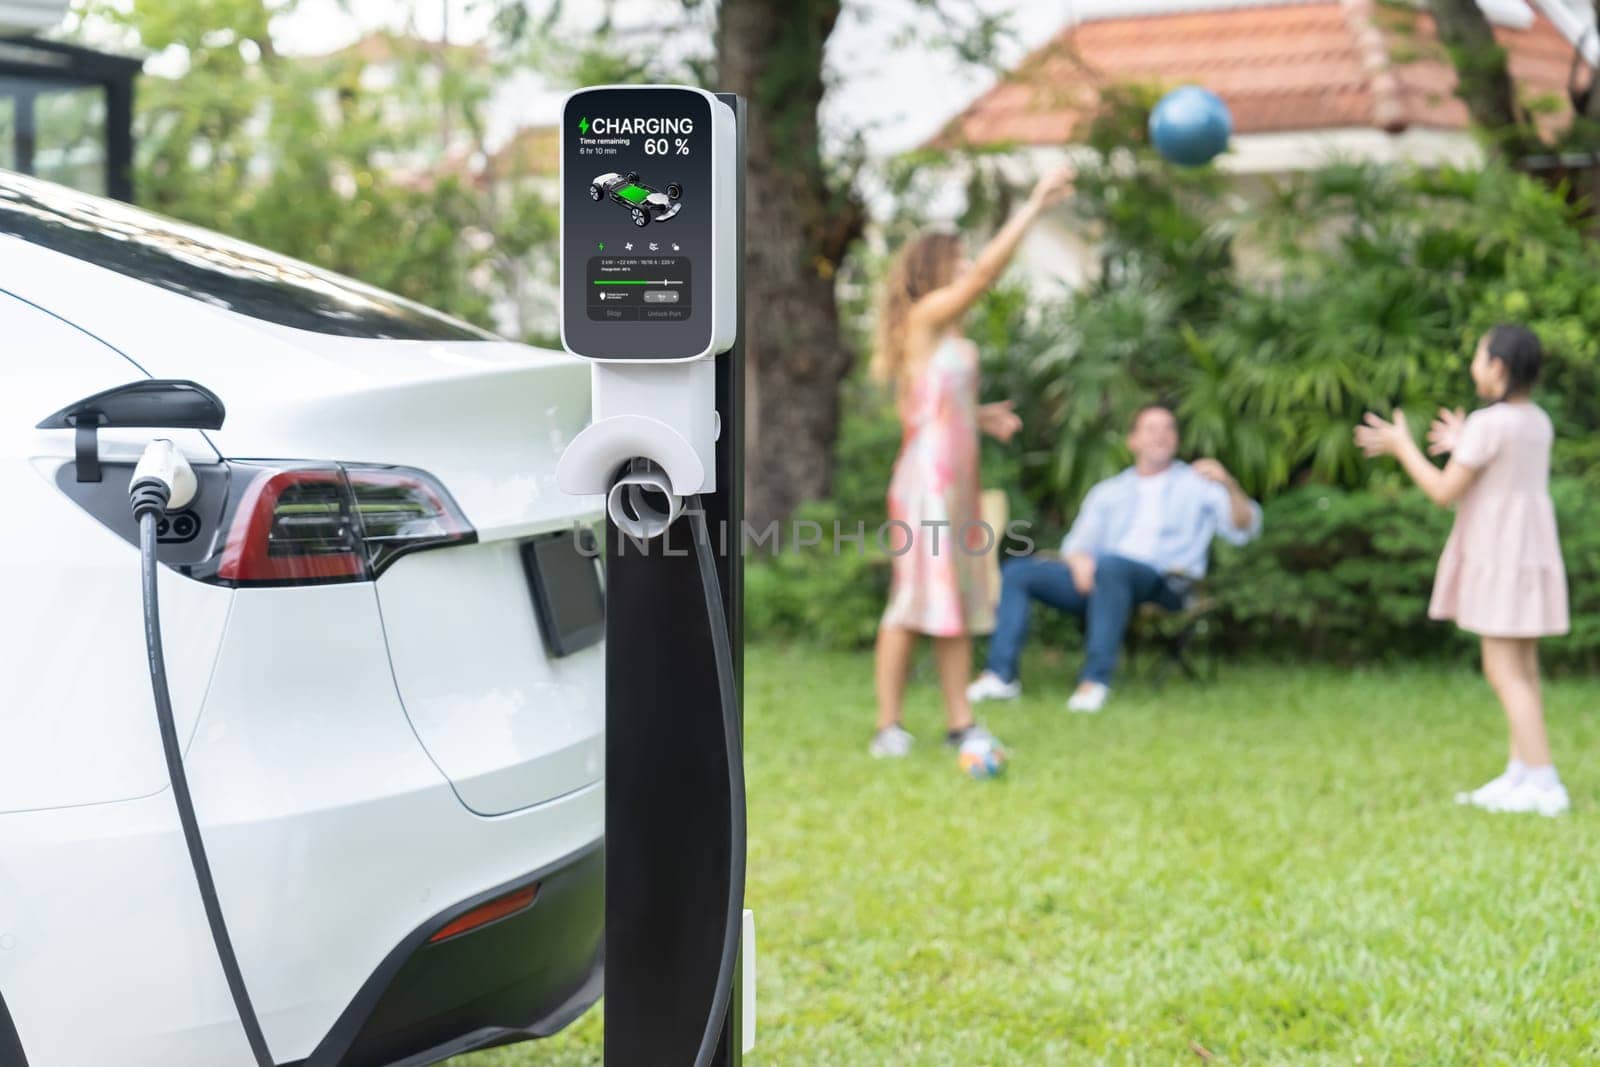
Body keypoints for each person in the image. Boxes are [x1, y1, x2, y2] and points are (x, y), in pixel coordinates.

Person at [868, 164, 1076, 762]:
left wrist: (979, 415)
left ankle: (960, 722)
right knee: (913, 600)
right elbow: (989, 273)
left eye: (965, 261)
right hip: (928, 483)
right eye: (956, 261)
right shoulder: (927, 316)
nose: (967, 269)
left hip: (956, 479)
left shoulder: (945, 331)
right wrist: (1035, 204)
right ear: (933, 269)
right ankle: (889, 726)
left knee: (954, 594)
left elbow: (930, 400)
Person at [1354, 325, 1570, 816]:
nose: (1474, 364)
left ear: (1497, 367)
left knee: (1502, 670)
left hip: (1500, 554)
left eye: (1478, 355)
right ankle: (1521, 773)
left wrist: (1402, 445)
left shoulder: (1489, 424)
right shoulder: (1536, 420)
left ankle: (1543, 781)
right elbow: (1499, 467)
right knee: (1525, 669)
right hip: (1529, 551)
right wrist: (1462, 439)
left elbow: (1443, 491)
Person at [967, 405, 1261, 712]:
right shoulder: (1108, 491)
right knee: (1019, 571)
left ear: (1176, 439)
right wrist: (1079, 562)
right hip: (1102, 580)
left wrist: (1228, 484)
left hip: (1167, 583)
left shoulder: (1198, 484)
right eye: (1150, 429)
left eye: (1168, 428)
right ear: (1132, 441)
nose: (1160, 435)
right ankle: (1000, 677)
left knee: (1111, 566)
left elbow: (1246, 527)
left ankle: (1094, 681)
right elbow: (1077, 545)